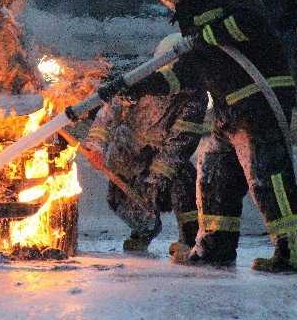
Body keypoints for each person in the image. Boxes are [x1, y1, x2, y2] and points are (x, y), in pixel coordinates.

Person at [117, 0, 297, 273]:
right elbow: (191, 72)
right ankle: (214, 249)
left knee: (267, 176)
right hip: (229, 106)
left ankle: (294, 252)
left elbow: (250, 23)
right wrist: (141, 86)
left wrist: (205, 35)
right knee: (213, 174)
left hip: (259, 98)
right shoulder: (192, 12)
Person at [84, 34, 208, 252]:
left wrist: (158, 180)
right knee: (119, 201)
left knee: (184, 181)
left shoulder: (195, 97)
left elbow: (180, 143)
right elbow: (107, 118)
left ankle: (189, 239)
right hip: (128, 154)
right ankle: (144, 229)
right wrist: (96, 147)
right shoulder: (140, 83)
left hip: (165, 158)